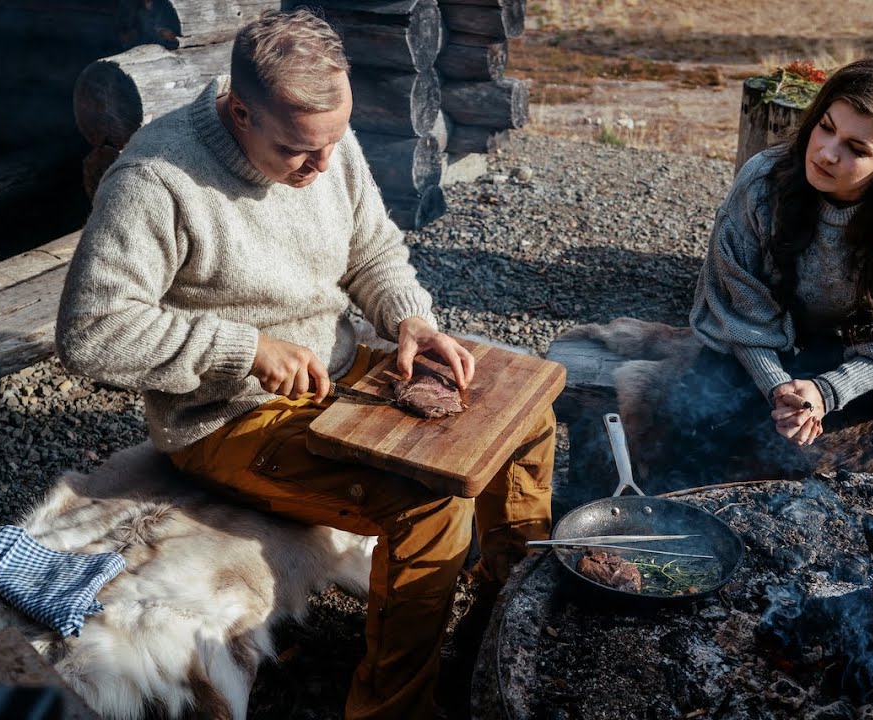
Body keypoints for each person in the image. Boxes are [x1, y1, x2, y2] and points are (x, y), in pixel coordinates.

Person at [54, 9, 555, 719]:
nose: (323, 166)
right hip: (229, 418)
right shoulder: (154, 180)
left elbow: (372, 248)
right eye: (298, 151)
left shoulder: (324, 140)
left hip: (342, 369)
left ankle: (512, 610)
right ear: (238, 111)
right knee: (430, 505)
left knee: (524, 413)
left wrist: (411, 319)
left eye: (333, 141)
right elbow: (92, 330)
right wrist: (246, 350)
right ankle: (390, 708)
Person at [669, 57, 873, 485]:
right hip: (782, 336)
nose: (827, 153)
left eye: (857, 148)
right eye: (827, 127)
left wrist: (830, 390)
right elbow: (736, 302)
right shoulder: (761, 184)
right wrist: (780, 387)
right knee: (694, 418)